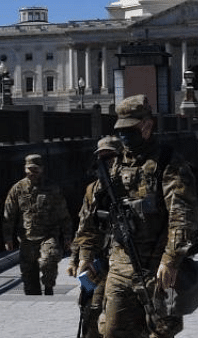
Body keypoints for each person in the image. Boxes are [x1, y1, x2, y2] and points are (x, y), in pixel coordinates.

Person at [74, 95, 198, 338]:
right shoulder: (114, 166)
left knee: (161, 332)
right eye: (121, 130)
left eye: (130, 130)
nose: (124, 136)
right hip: (120, 265)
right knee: (112, 331)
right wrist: (86, 255)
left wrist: (171, 259)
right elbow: (91, 215)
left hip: (157, 268)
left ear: (147, 126)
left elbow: (182, 216)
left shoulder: (168, 164)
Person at [68, 136, 121, 338]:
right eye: (102, 157)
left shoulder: (130, 186)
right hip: (99, 262)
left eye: (111, 157)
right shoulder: (93, 190)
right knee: (91, 310)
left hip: (126, 262)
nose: (107, 162)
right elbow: (84, 228)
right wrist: (77, 258)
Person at [2, 153, 72, 295]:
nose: (32, 173)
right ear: (25, 169)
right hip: (27, 237)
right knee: (29, 281)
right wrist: (7, 238)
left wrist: (67, 236)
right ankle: (36, 300)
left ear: (42, 169)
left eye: (36, 169)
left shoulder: (52, 188)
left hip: (48, 235)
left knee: (49, 259)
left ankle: (48, 286)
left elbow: (63, 213)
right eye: (29, 169)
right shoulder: (17, 189)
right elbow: (8, 215)